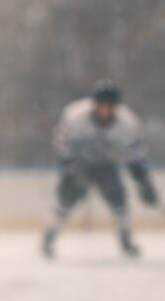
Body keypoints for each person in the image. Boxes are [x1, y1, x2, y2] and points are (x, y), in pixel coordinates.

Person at [41, 81, 158, 259]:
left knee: (120, 204)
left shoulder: (127, 124)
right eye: (101, 105)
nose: (105, 110)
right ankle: (49, 237)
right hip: (78, 164)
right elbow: (62, 141)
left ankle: (125, 241)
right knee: (64, 202)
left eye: (110, 106)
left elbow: (134, 154)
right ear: (94, 103)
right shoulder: (76, 116)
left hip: (106, 165)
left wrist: (143, 181)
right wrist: (69, 166)